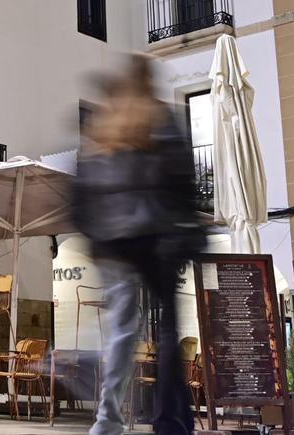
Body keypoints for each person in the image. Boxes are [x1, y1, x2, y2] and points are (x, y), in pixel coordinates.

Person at [72, 53, 206, 435]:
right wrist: (187, 229)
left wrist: (94, 235)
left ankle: (107, 419)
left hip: (113, 243)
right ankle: (170, 420)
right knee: (166, 332)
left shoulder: (104, 125)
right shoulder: (160, 120)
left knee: (121, 331)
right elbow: (181, 182)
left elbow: (83, 190)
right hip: (155, 240)